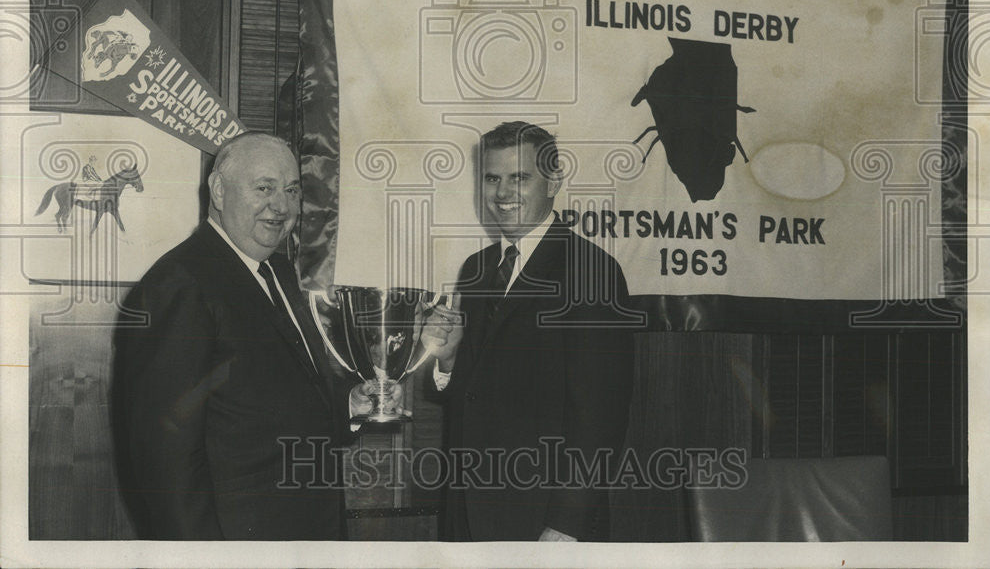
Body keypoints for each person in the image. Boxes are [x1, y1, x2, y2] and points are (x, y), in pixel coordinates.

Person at [112, 132, 398, 539]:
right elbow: (164, 464)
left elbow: (273, 404)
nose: (281, 206)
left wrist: (349, 403)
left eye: (292, 190)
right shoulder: (178, 285)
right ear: (219, 190)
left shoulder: (279, 272)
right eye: (264, 188)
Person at [422, 122, 638, 541]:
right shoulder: (476, 270)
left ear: (554, 181)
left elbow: (601, 418)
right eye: (492, 178)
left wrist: (566, 525)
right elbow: (472, 395)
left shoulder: (592, 273)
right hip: (468, 513)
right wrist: (448, 361)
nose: (502, 194)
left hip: (545, 523)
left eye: (520, 178)